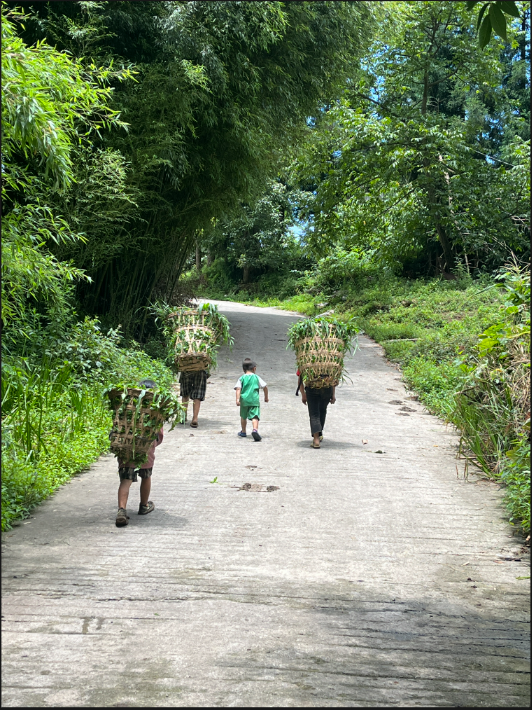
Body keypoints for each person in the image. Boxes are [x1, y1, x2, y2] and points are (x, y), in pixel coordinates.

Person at [115, 379, 163, 527]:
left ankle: (121, 510)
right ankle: (144, 505)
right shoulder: (155, 412)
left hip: (127, 448)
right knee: (146, 476)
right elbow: (159, 435)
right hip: (146, 450)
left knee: (126, 480)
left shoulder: (126, 409)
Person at [235, 358, 268, 441]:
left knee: (243, 416)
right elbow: (265, 387)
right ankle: (255, 430)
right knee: (255, 416)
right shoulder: (256, 377)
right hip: (254, 401)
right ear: (254, 368)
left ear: (243, 369)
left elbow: (238, 389)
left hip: (244, 401)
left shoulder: (241, 378)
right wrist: (266, 397)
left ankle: (243, 431)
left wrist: (237, 399)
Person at [299, 373, 336, 449]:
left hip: (312, 388)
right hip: (327, 389)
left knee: (314, 414)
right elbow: (332, 377)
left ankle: (316, 439)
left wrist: (303, 394)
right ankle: (319, 434)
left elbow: (300, 378)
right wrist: (333, 394)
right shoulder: (328, 365)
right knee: (322, 411)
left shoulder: (307, 364)